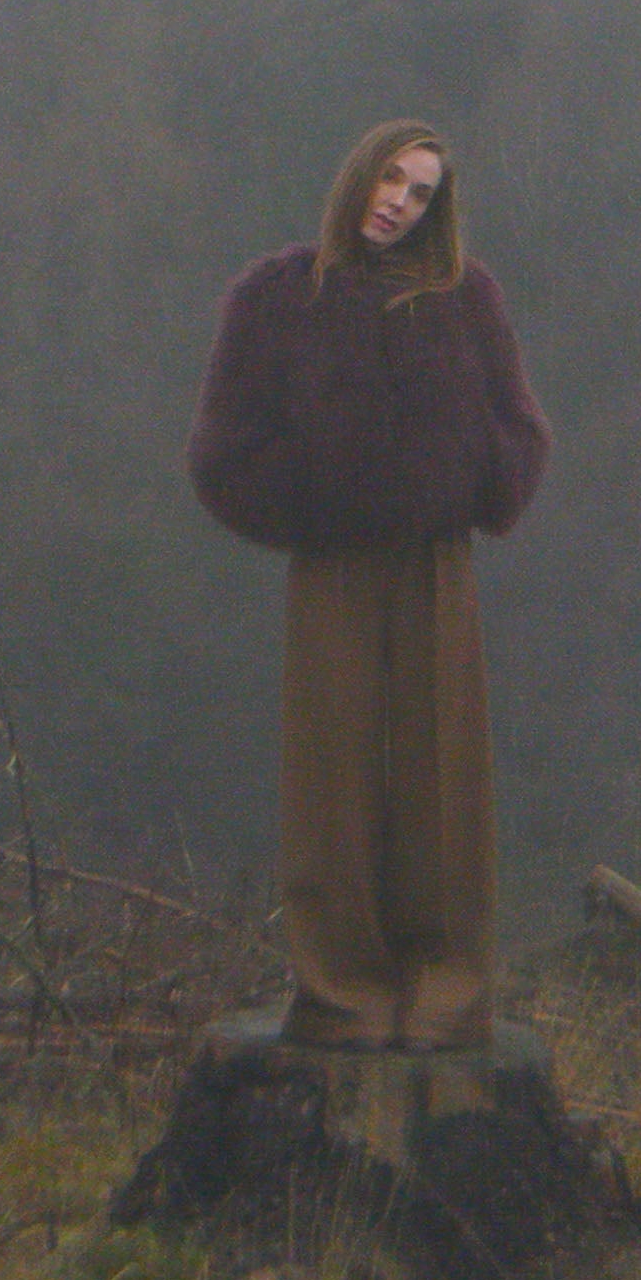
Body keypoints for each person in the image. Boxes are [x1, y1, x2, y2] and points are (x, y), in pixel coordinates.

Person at [187, 121, 551, 1049]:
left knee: (445, 776)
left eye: (422, 192)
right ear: (358, 177)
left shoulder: (466, 298)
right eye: (391, 178)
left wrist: (475, 482)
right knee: (331, 776)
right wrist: (311, 503)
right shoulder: (278, 299)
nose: (400, 201)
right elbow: (223, 450)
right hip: (333, 565)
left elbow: (517, 426)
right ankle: (342, 988)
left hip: (437, 564)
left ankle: (447, 987)